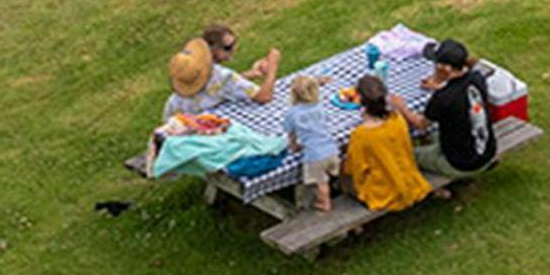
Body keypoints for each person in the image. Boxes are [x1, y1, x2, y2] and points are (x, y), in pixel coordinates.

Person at [341, 74, 435, 212]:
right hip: (408, 178)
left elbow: (354, 168)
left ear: (359, 99)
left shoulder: (361, 135)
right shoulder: (397, 119)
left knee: (342, 173)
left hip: (383, 190)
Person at [414, 38, 499, 180]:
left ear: (445, 68)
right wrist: (437, 84)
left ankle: (431, 190)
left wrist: (400, 106)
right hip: (486, 151)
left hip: (462, 165)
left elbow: (421, 125)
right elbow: (460, 91)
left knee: (409, 155)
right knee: (433, 135)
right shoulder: (477, 78)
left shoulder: (443, 98)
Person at [164, 21, 280, 118]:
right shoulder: (222, 76)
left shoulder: (189, 75)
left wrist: (249, 74)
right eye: (228, 47)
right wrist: (273, 67)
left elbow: (218, 86)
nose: (234, 49)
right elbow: (264, 97)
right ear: (212, 49)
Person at [282, 74, 339, 214]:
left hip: (314, 155)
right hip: (332, 149)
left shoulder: (292, 113)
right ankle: (337, 189)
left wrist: (294, 147)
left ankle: (325, 203)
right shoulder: (319, 107)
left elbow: (292, 135)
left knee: (321, 183)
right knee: (331, 173)